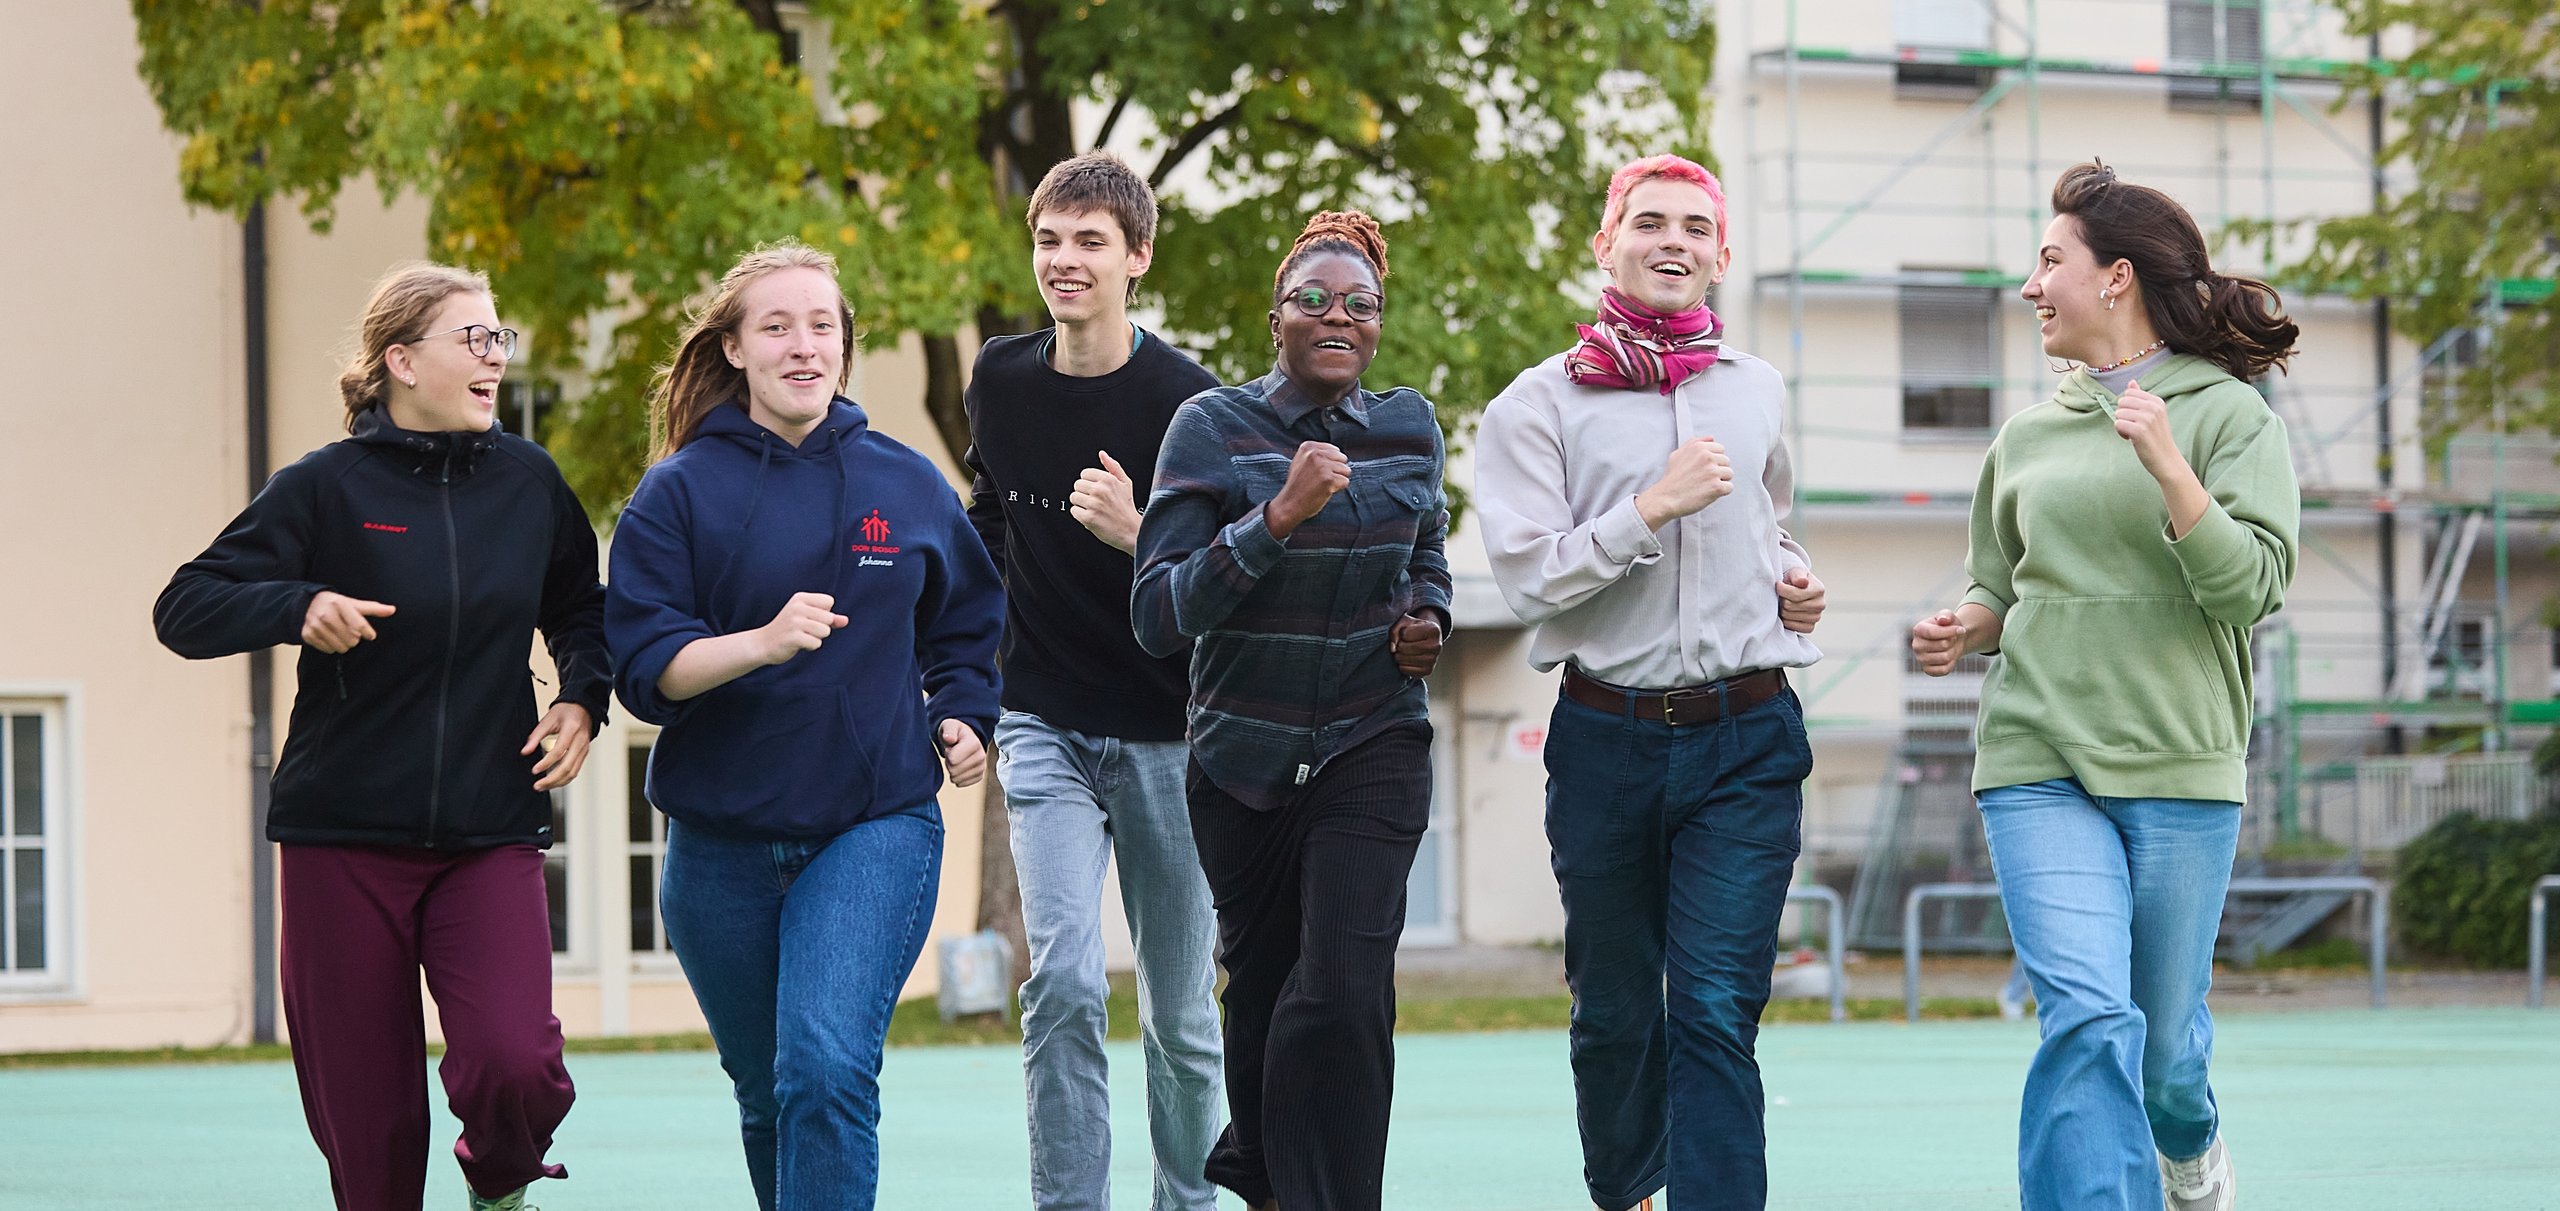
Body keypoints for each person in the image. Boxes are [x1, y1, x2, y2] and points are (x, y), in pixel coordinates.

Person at [154, 262, 603, 1211]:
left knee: (515, 1065)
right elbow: (186, 605)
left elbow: (580, 608)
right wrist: (297, 604)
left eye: (498, 337)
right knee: (373, 1126)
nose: (495, 356)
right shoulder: (325, 486)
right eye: (473, 338)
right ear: (401, 360)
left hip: (488, 829)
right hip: (341, 837)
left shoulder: (530, 482)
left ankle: (500, 1186)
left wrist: (582, 697)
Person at [1909, 160, 2300, 1211]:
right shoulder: (2027, 436)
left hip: (2178, 761)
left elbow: (2251, 590)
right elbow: (2000, 585)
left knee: (2163, 1053)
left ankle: (2190, 1150)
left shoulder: (2229, 419)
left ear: (2115, 275)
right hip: (2037, 760)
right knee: (2086, 1015)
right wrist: (1963, 627)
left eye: (2050, 261)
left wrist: (2171, 470)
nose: (2030, 285)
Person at [603, 242, 1003, 1211]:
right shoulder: (675, 493)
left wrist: (961, 712)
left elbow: (968, 623)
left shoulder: (905, 483)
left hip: (872, 824)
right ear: (734, 349)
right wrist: (759, 643)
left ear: (844, 346)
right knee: (768, 1092)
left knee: (823, 1067)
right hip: (719, 846)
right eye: (776, 326)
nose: (803, 345)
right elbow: (645, 671)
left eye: (822, 325)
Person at [1473, 153, 1829, 1211]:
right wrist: (1649, 508)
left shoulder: (1757, 389)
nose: (1673, 240)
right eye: (1649, 222)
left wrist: (1794, 580)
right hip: (1606, 742)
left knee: (1715, 1006)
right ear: (1607, 244)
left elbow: (1769, 521)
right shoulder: (1535, 404)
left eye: (1694, 227)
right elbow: (1529, 574)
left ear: (1721, 255)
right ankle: (1629, 1189)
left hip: (1747, 736)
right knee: (1616, 1011)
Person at [1131, 210, 1450, 1211]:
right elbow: (1158, 612)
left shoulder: (1409, 426)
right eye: (1313, 298)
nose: (1338, 316)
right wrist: (1274, 518)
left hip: (1372, 737)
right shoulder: (1211, 428)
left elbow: (1427, 552)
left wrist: (1429, 616)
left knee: (1345, 990)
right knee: (1263, 991)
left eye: (1361, 304)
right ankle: (1266, 1181)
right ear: (1277, 319)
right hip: (1243, 759)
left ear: (1379, 324)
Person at [962, 150, 1226, 1211]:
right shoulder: (999, 378)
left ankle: (1187, 1199)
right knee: (1064, 979)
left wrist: (1138, 533)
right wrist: (964, 652)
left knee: (1180, 1013)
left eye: (1089, 241)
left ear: (1138, 257)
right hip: (1045, 723)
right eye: (1048, 239)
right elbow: (991, 514)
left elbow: (1224, 579)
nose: (1063, 260)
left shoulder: (1193, 404)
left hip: (1171, 732)